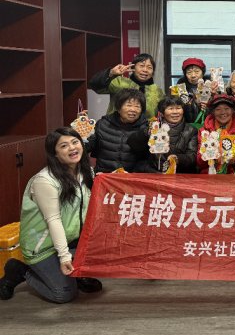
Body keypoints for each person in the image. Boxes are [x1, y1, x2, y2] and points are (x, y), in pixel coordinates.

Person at [0, 128, 101, 303]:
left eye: (75, 142)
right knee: (64, 294)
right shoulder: (45, 181)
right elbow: (54, 220)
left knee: (103, 251)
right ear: (54, 154)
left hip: (70, 239)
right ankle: (21, 271)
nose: (72, 148)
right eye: (64, 146)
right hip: (42, 246)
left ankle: (76, 275)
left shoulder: (86, 173)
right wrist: (64, 256)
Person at [128, 96, 199, 174]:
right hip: (152, 173)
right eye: (170, 109)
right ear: (162, 112)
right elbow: (133, 145)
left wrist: (178, 159)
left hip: (179, 174)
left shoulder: (191, 130)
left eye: (178, 108)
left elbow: (192, 156)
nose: (175, 112)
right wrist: (146, 133)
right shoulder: (153, 126)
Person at [86, 88, 148, 173]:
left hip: (132, 177)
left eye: (137, 106)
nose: (133, 109)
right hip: (104, 176)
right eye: (129, 105)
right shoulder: (103, 124)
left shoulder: (146, 129)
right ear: (118, 108)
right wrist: (81, 133)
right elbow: (87, 147)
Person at [88, 53, 164, 120]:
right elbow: (95, 85)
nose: (145, 70)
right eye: (141, 66)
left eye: (149, 67)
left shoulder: (157, 90)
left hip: (146, 129)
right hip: (116, 128)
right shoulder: (119, 82)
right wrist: (111, 73)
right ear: (133, 68)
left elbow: (163, 111)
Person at [197, 94, 235, 174]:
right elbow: (199, 161)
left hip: (233, 175)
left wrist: (234, 158)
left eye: (226, 109)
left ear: (233, 110)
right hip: (209, 174)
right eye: (218, 109)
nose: (223, 112)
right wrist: (211, 156)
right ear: (213, 112)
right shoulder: (205, 131)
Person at [176, 57, 206, 124]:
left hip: (207, 124)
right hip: (186, 125)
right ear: (185, 75)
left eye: (197, 71)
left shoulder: (210, 87)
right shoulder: (180, 88)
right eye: (189, 72)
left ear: (203, 73)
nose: (193, 75)